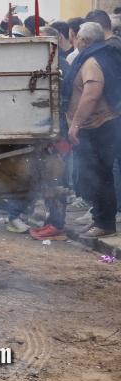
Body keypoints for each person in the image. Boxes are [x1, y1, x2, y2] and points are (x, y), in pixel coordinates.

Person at [63, 22, 121, 237]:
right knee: (95, 176)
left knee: (100, 176)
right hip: (98, 126)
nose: (75, 40)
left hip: (99, 127)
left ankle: (105, 224)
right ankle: (99, 219)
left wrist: (75, 124)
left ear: (85, 41)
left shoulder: (92, 61)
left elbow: (91, 94)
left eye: (77, 37)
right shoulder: (98, 55)